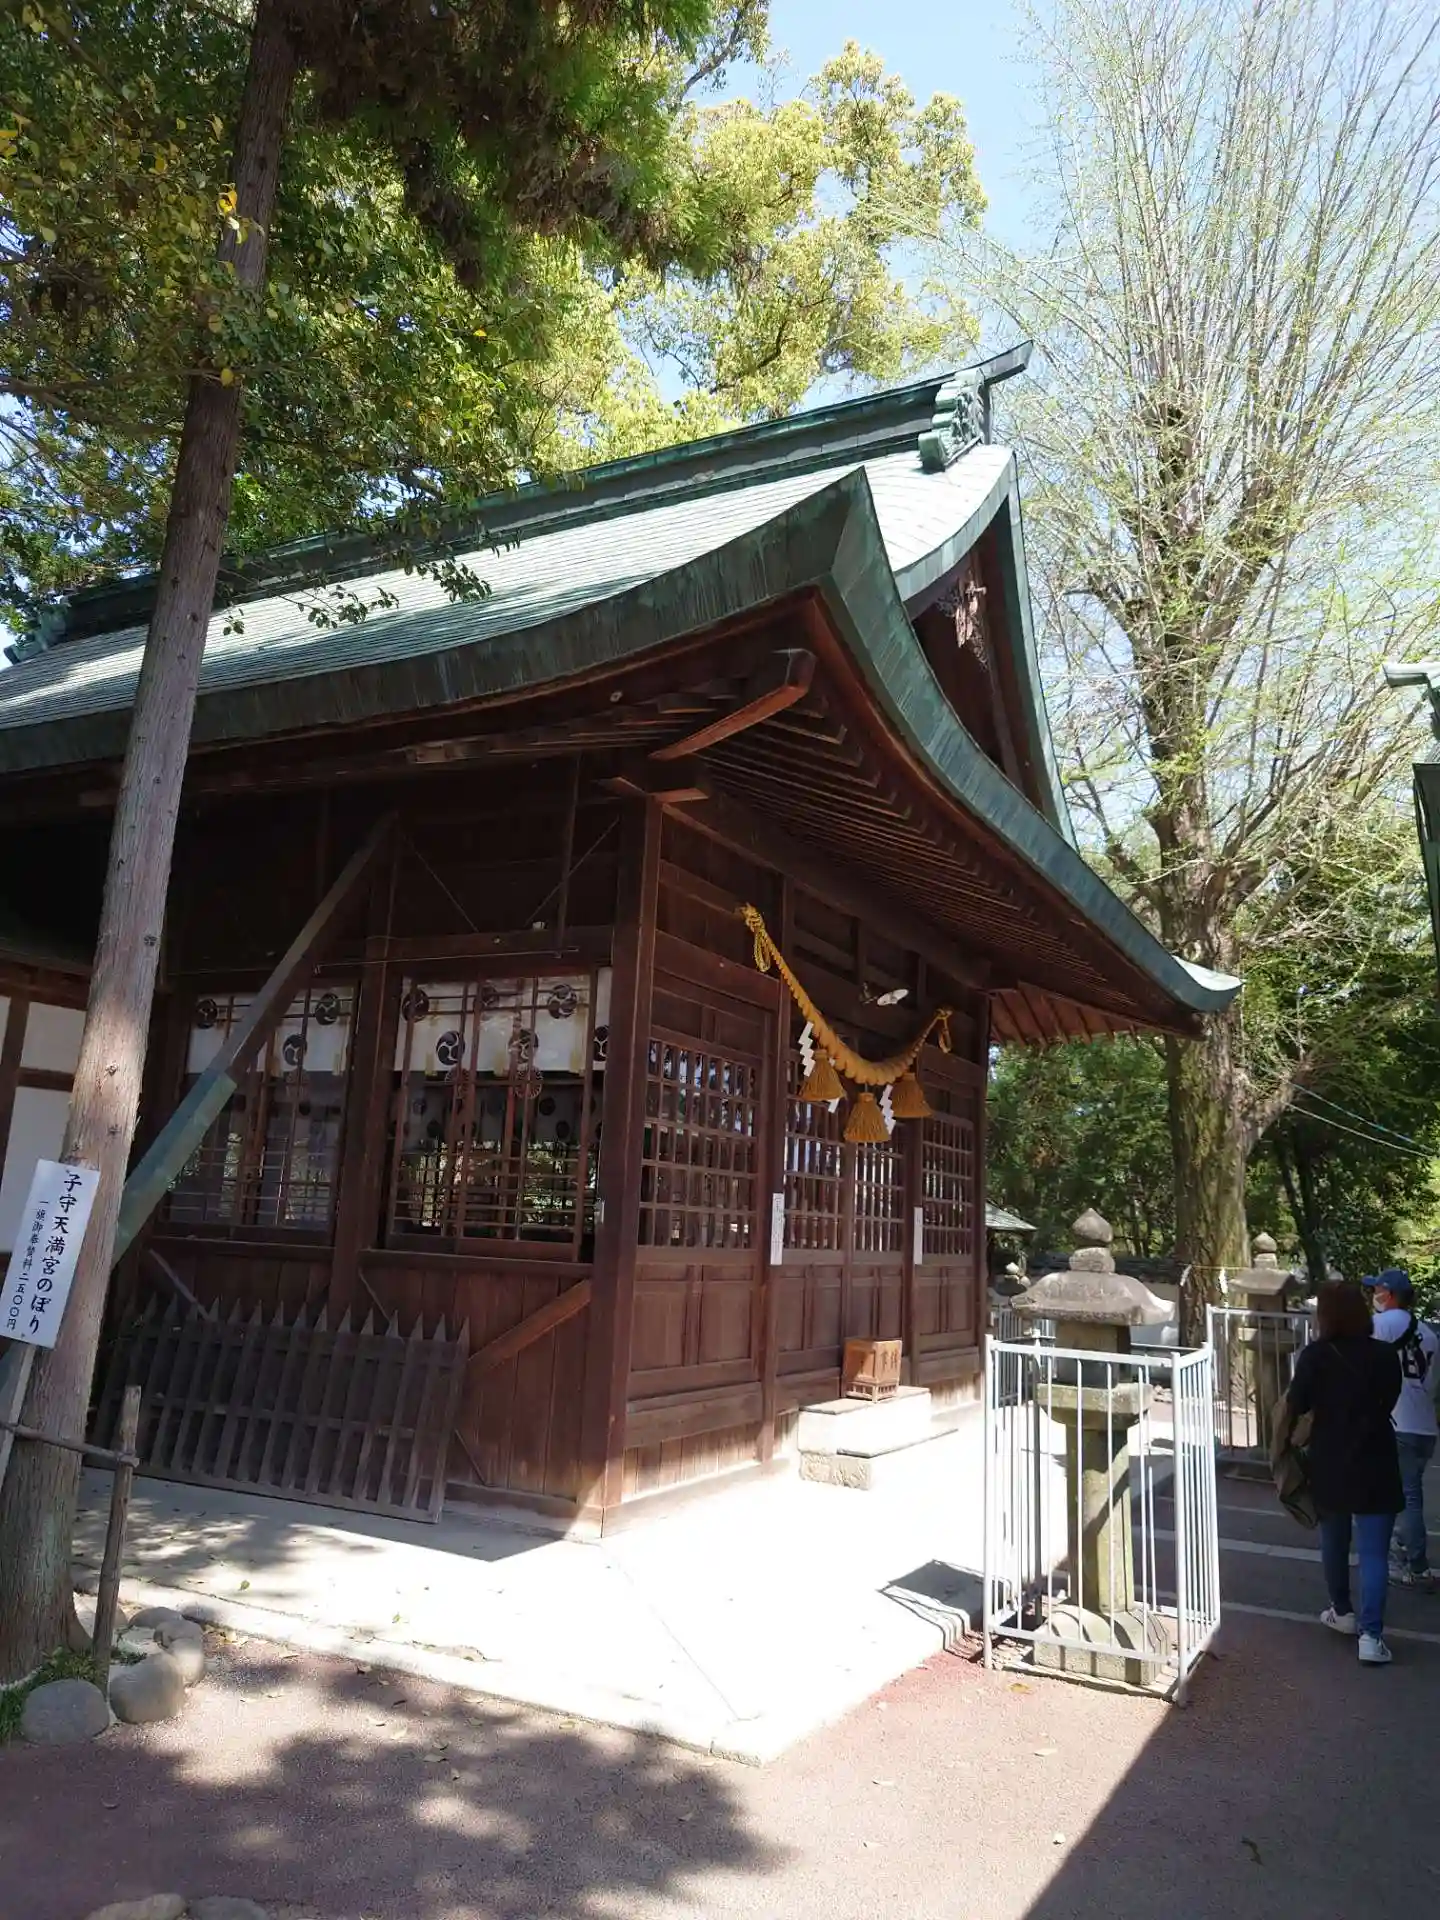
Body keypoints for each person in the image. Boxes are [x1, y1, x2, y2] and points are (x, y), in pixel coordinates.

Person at [1283, 1279, 1403, 1664]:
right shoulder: (1385, 1355)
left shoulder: (1315, 1356)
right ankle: (1372, 1637)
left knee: (1334, 1541)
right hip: (1377, 1457)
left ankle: (1342, 1610)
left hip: (1329, 1459)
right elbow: (1390, 1400)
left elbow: (1297, 1402)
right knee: (1374, 1553)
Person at [1367, 1268, 1439, 1591]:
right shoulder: (1429, 1334)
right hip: (1425, 1427)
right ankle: (1404, 1545)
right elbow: (1433, 1385)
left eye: (1378, 1290)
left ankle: (1416, 1565)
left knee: (1405, 1498)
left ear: (1391, 1294)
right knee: (1408, 1492)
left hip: (1399, 1423)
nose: (1374, 1296)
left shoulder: (1380, 1325)